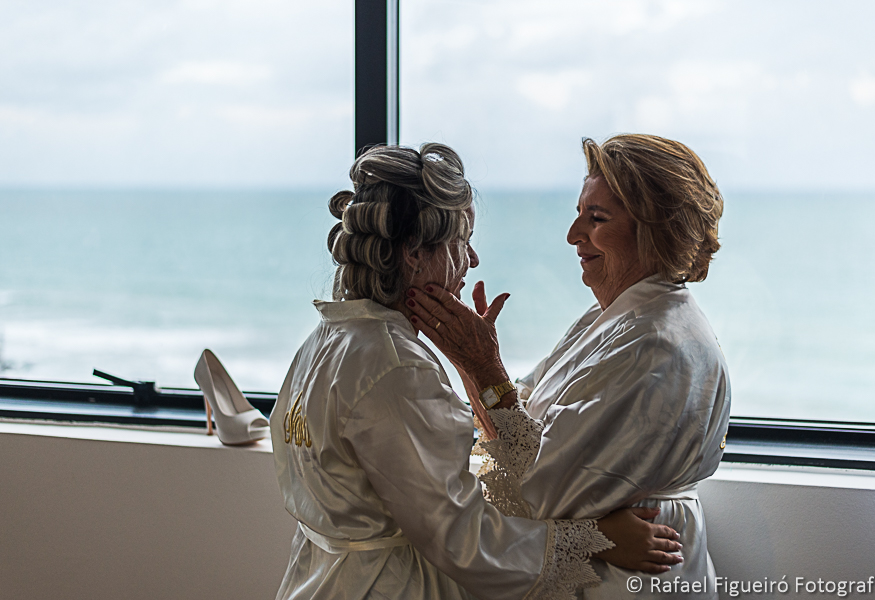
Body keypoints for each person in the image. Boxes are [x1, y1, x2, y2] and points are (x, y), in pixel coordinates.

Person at [270, 143, 684, 600]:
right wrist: (598, 540)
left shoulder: (323, 342)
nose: (472, 259)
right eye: (462, 240)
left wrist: (475, 367)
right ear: (414, 252)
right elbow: (461, 537)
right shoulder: (398, 367)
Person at [406, 134, 731, 599]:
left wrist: (481, 366)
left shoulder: (654, 345)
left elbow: (537, 489)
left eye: (596, 219)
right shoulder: (611, 318)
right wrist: (471, 365)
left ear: (655, 229)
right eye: (579, 213)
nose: (573, 234)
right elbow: (516, 424)